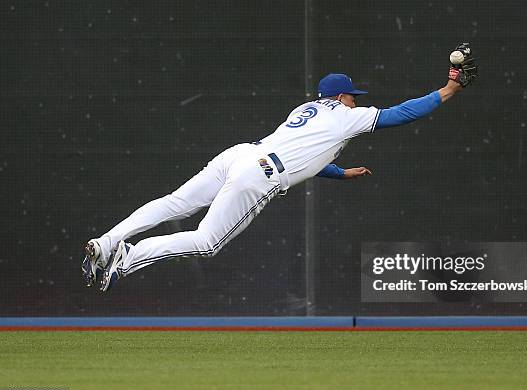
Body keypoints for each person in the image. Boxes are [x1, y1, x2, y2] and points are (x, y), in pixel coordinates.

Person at [82, 43, 478, 292]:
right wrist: (448, 90)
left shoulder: (304, 110)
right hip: (259, 174)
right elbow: (402, 113)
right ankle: (128, 258)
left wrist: (341, 173)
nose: (356, 102)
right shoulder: (344, 114)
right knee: (206, 242)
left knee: (173, 203)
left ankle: (105, 241)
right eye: (353, 96)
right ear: (341, 96)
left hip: (239, 155)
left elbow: (309, 157)